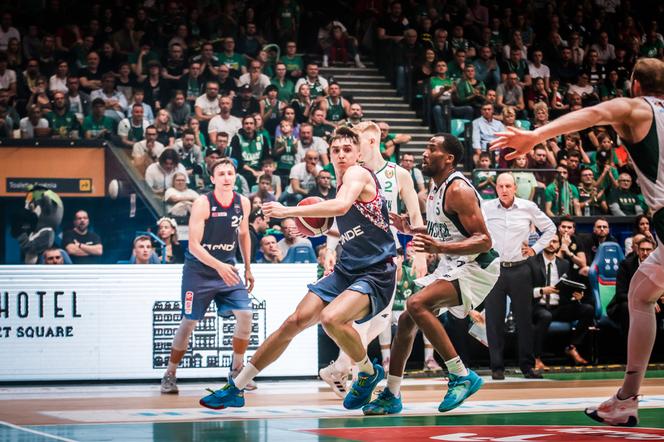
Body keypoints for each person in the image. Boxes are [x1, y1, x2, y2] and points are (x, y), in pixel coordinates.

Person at [490, 57, 664, 426]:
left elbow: (594, 113)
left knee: (640, 296)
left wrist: (535, 136)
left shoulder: (636, 107)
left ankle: (627, 398)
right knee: (639, 294)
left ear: (635, 84)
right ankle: (626, 399)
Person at [199, 127, 396, 411]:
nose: (341, 154)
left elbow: (341, 207)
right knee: (293, 322)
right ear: (330, 154)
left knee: (331, 319)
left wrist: (288, 211)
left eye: (347, 149)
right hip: (347, 268)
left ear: (358, 153)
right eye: (336, 150)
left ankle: (366, 373)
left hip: (376, 272)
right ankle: (237, 386)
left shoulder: (357, 174)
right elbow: (348, 222)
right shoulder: (343, 185)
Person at [363, 133, 500, 416]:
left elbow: (484, 240)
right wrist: (411, 230)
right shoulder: (435, 187)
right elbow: (443, 229)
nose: (425, 153)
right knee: (405, 320)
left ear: (449, 158)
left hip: (478, 265)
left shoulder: (458, 189)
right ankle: (391, 393)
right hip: (454, 263)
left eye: (431, 148)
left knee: (416, 304)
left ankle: (461, 375)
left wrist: (439, 247)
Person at [318, 121, 426, 399]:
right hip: (356, 254)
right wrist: (330, 249)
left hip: (386, 255)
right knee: (364, 320)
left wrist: (420, 251)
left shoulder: (398, 174)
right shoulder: (349, 176)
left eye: (357, 143)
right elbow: (338, 217)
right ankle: (357, 379)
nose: (350, 150)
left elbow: (415, 217)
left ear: (372, 142)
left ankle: (340, 367)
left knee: (379, 322)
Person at [161, 158, 255, 395]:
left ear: (235, 177)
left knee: (246, 315)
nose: (226, 177)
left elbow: (243, 234)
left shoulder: (243, 202)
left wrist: (248, 267)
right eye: (221, 173)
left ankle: (237, 371)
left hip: (228, 270)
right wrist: (219, 266)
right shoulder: (203, 203)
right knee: (189, 321)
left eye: (230, 173)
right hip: (199, 272)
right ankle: (170, 374)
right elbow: (193, 245)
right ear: (212, 179)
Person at [482, 173, 556, 380]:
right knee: (494, 321)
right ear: (496, 188)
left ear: (515, 188)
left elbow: (550, 228)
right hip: (495, 269)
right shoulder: (486, 208)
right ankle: (496, 367)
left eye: (508, 186)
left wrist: (535, 248)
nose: (504, 190)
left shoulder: (528, 207)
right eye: (500, 186)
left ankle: (527, 366)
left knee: (524, 320)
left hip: (521, 269)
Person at [529, 234, 593, 370]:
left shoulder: (564, 264)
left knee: (587, 309)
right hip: (538, 306)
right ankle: (536, 358)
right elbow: (523, 291)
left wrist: (576, 295)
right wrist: (541, 291)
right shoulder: (532, 262)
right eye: (549, 241)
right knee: (545, 316)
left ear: (559, 245)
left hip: (559, 307)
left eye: (555, 242)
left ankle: (572, 347)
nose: (552, 244)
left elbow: (568, 286)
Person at [609, 237, 657, 336]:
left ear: (653, 251)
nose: (645, 252)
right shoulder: (626, 265)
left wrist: (656, 299)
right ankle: (629, 345)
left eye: (648, 250)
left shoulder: (659, 265)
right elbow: (620, 294)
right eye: (642, 249)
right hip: (628, 303)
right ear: (637, 251)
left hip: (652, 302)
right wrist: (645, 301)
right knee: (625, 306)